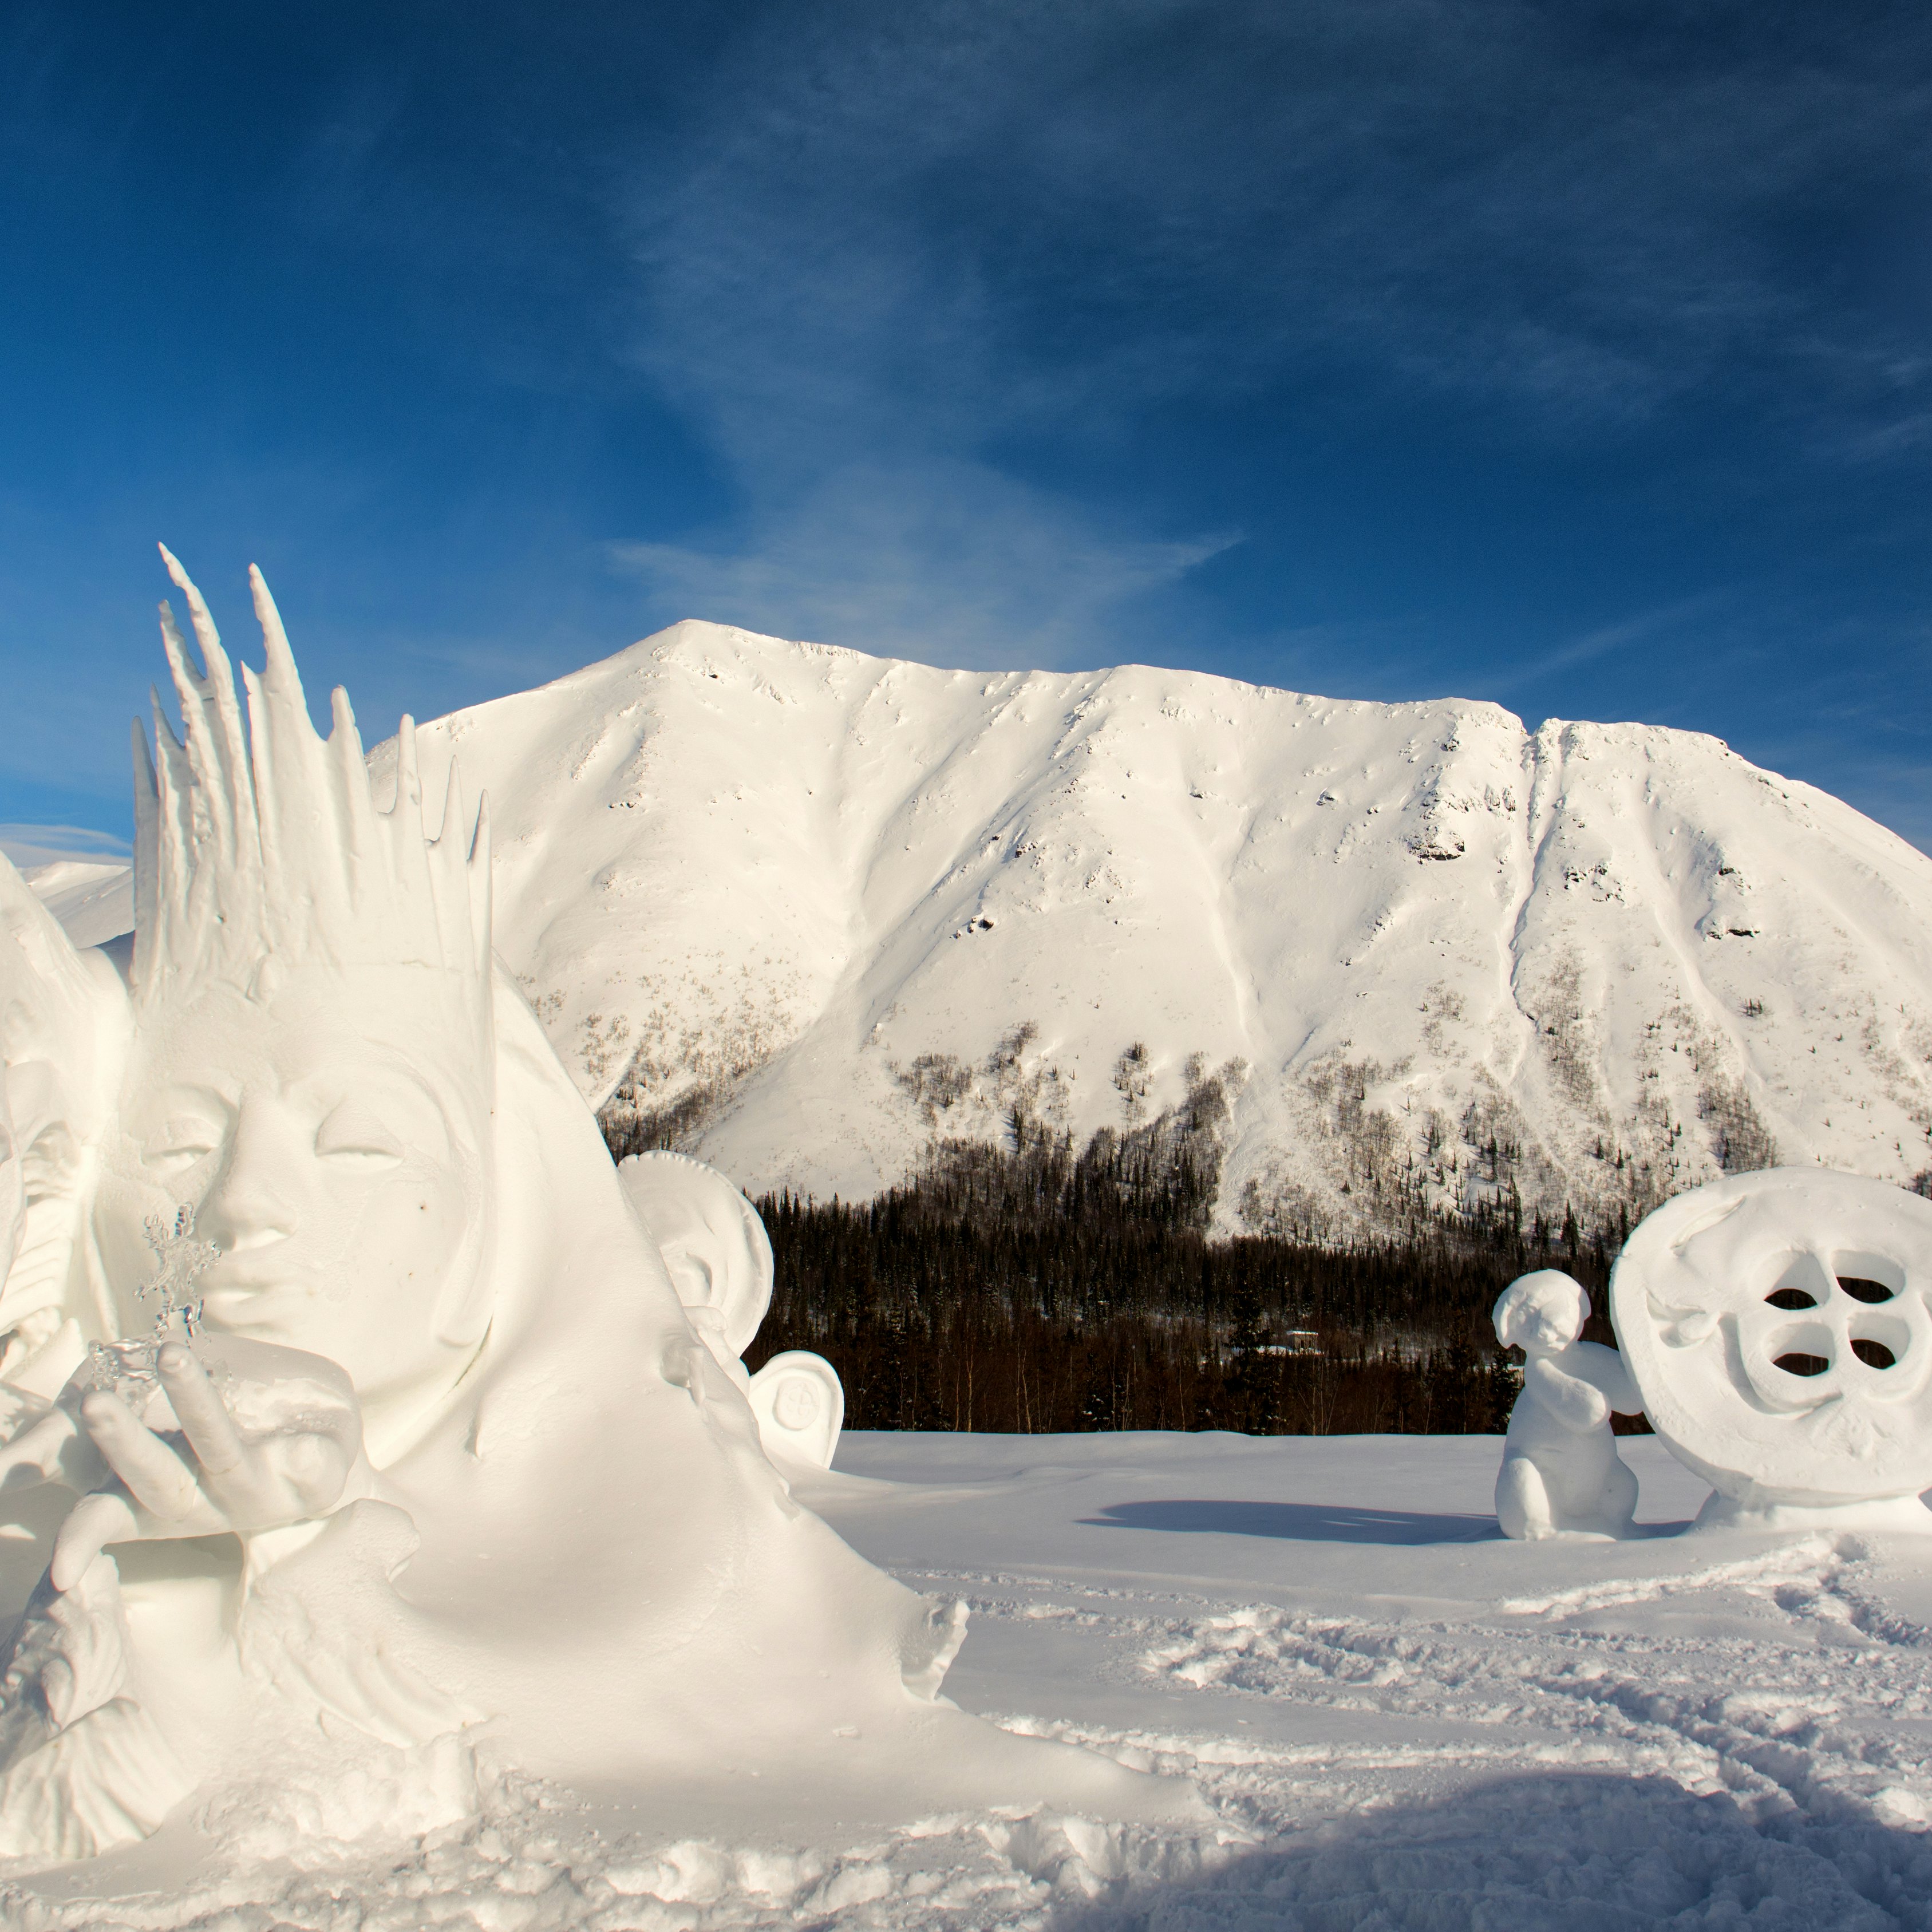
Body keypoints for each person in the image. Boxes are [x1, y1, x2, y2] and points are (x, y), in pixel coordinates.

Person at [0, 551, 1189, 1860]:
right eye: (179, 1143)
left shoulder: (646, 1525)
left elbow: (650, 1637)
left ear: (500, 1179)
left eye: (356, 1144)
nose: (243, 1209)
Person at [1492, 1269, 1643, 1540]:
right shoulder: (1541, 1371)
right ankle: (1536, 1527)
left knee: (1623, 1485)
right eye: (1528, 1317)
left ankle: (1609, 1523)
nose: (1546, 1330)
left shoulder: (1589, 1358)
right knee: (1522, 1478)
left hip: (1599, 1479)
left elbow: (1632, 1400)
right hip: (1544, 1474)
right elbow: (1589, 1414)